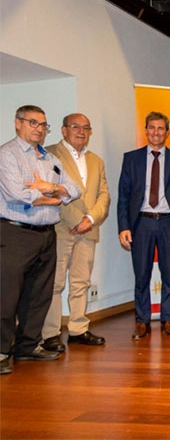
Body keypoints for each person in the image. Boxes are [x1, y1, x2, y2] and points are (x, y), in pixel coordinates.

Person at [0, 105, 81, 375]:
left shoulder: (49, 159)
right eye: (33, 123)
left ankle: (27, 345)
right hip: (15, 233)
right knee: (7, 296)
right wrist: (53, 196)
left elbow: (74, 190)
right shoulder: (7, 154)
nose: (39, 129)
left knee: (39, 293)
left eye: (43, 125)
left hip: (47, 233)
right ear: (18, 123)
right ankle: (1, 350)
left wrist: (49, 188)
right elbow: (16, 194)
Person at [118, 112, 170, 340]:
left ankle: (167, 320)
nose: (156, 132)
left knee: (169, 275)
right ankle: (142, 321)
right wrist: (124, 226)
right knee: (142, 275)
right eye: (152, 128)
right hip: (142, 223)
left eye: (161, 128)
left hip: (169, 224)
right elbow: (123, 196)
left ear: (167, 132)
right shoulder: (131, 159)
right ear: (146, 130)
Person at [39, 113, 110, 352]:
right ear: (63, 130)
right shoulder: (48, 154)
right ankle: (50, 333)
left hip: (88, 229)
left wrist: (90, 219)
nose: (81, 131)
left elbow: (104, 195)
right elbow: (51, 192)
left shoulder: (96, 161)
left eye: (86, 128)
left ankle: (78, 328)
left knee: (81, 282)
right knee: (55, 283)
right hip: (61, 228)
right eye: (76, 127)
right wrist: (78, 219)